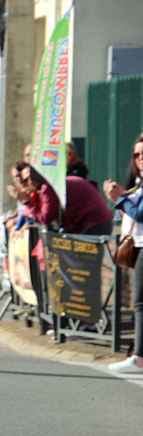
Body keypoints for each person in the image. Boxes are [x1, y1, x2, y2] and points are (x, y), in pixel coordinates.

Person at [103, 134, 143, 373]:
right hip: (136, 245)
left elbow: (140, 215)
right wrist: (117, 200)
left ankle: (139, 358)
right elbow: (130, 216)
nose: (139, 158)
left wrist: (119, 199)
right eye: (136, 154)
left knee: (139, 304)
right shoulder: (138, 184)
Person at [13, 165, 113, 235]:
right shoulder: (52, 184)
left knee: (81, 263)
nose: (25, 184)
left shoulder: (48, 187)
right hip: (96, 222)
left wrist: (26, 202)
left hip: (93, 224)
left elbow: (45, 219)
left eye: (26, 180)